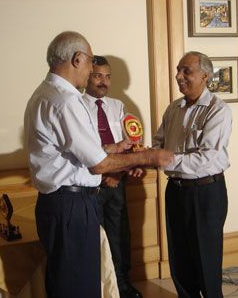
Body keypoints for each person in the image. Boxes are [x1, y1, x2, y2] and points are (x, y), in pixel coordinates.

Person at [24, 31, 173, 298]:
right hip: (71, 206)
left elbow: (75, 152)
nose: (93, 69)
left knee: (66, 280)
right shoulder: (66, 100)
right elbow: (98, 165)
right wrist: (149, 157)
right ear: (77, 59)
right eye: (91, 62)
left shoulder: (43, 92)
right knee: (79, 286)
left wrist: (112, 149)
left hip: (56, 204)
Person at [153, 51, 232, 298]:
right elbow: (159, 142)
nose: (179, 76)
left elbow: (206, 158)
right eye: (178, 70)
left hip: (205, 192)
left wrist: (166, 158)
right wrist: (145, 157)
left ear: (205, 76)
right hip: (175, 191)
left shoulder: (218, 110)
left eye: (186, 71)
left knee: (205, 261)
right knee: (179, 259)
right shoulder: (173, 108)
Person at [83, 56, 142, 298]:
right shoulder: (76, 106)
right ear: (87, 76)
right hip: (90, 185)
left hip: (117, 183)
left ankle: (122, 286)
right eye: (98, 76)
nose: (103, 82)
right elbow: (84, 147)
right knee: (94, 240)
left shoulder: (118, 106)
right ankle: (100, 289)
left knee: (119, 237)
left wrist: (117, 174)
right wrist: (104, 173)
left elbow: (129, 144)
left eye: (107, 77)